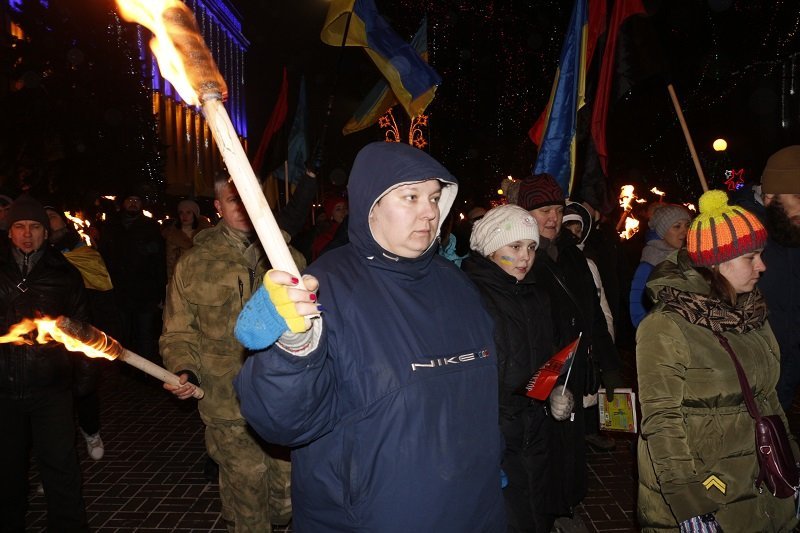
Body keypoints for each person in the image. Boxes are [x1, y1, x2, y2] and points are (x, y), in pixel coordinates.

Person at [231, 142, 506, 532]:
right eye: (410, 197)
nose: (429, 211)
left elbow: (479, 400)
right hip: (371, 516)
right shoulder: (326, 287)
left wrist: (492, 462)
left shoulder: (458, 286)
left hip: (474, 511)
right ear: (372, 204)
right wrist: (292, 350)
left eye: (433, 197)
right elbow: (284, 423)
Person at [636, 190, 797, 532]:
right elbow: (662, 422)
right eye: (752, 256)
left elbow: (769, 401)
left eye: (762, 255)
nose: (762, 266)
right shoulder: (666, 325)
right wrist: (689, 504)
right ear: (717, 262)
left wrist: (793, 466)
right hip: (708, 497)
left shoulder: (753, 315)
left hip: (761, 487)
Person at [160, 176, 293, 532]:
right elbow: (177, 330)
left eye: (249, 198)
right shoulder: (194, 263)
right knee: (248, 481)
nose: (243, 206)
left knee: (286, 491)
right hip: (224, 396)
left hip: (281, 393)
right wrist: (183, 369)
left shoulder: (288, 257)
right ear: (217, 207)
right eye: (233, 200)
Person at [516, 172, 622, 528]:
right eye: (543, 210)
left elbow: (592, 314)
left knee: (572, 446)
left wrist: (610, 366)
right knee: (544, 448)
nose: (552, 218)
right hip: (541, 372)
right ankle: (547, 512)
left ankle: (568, 505)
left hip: (576, 369)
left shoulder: (574, 258)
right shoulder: (521, 258)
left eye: (557, 210)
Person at [462, 203, 572, 533]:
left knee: (537, 508)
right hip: (492, 428)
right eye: (515, 246)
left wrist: (555, 388)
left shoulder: (535, 295)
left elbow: (547, 352)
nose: (525, 257)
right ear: (492, 247)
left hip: (533, 424)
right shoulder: (470, 294)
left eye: (531, 247)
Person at [0, 194, 91, 532]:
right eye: (20, 227)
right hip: (3, 388)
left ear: (45, 232)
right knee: (7, 471)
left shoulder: (64, 274)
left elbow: (83, 329)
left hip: (50, 386)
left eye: (35, 227)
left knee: (61, 467)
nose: (27, 234)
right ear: (10, 231)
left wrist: (82, 382)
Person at [46, 205, 121, 461]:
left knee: (85, 385)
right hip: (48, 336)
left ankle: (91, 431)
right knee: (54, 398)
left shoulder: (83, 253)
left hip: (81, 328)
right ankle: (57, 461)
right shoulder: (34, 258)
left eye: (52, 216)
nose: (47, 221)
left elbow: (103, 284)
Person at [735, 145, 800, 410]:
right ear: (771, 195)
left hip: (789, 362)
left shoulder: (792, 226)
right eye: (797, 196)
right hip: (752, 367)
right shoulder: (739, 227)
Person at [99, 189, 166, 363]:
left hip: (145, 291)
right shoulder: (111, 226)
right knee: (123, 333)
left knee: (145, 333)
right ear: (123, 202)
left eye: (137, 200)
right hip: (119, 290)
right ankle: (125, 367)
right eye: (130, 199)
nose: (133, 203)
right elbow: (104, 257)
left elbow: (159, 260)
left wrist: (161, 292)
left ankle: (145, 368)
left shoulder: (151, 226)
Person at [629, 203, 692, 328]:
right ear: (662, 232)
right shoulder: (650, 263)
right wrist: (647, 329)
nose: (684, 231)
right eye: (677, 226)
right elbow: (636, 301)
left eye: (687, 225)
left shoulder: (692, 258)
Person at [162, 198, 212, 280]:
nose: (184, 216)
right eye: (181, 213)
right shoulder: (173, 236)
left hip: (203, 278)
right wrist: (171, 282)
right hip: (182, 279)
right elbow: (170, 263)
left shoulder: (205, 233)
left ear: (195, 214)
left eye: (188, 212)